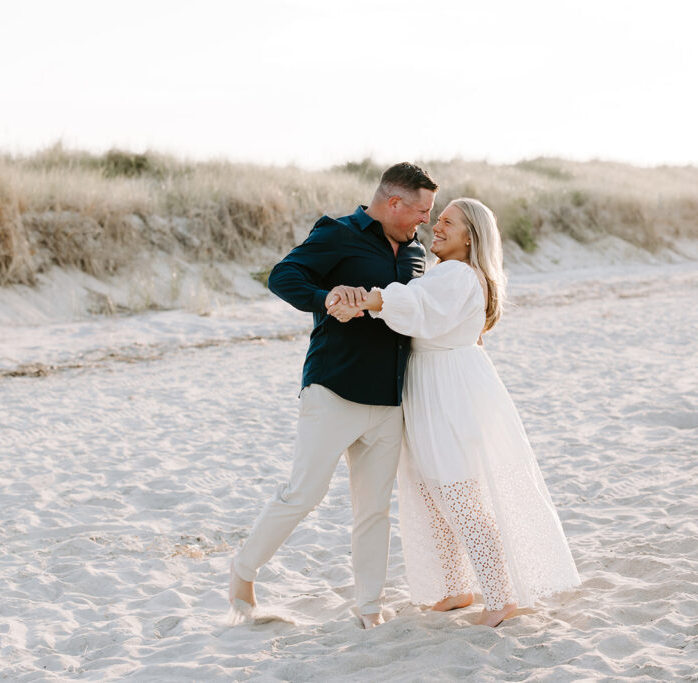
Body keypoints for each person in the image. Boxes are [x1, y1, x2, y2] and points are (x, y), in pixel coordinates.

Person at [327, 198, 580, 627]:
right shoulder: (450, 273)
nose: (437, 227)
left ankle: (500, 599)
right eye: (438, 219)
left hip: (448, 390)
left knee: (459, 493)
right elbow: (421, 307)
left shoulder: (458, 274)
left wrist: (366, 300)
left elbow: (417, 307)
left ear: (471, 236)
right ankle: (454, 586)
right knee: (432, 488)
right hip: (434, 384)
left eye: (449, 222)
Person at [228, 162, 438, 630]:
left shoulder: (416, 252)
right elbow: (282, 276)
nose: (426, 218)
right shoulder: (339, 234)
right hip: (333, 387)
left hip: (389, 398)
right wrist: (326, 298)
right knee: (303, 493)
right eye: (421, 210)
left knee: (374, 509)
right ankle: (242, 572)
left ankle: (368, 607)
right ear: (394, 202)